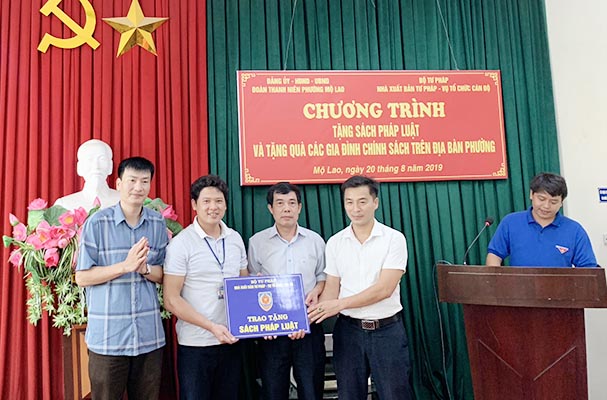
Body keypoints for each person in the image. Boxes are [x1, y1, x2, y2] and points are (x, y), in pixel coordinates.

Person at [308, 175, 411, 400]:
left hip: (386, 331)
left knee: (395, 394)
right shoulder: (335, 242)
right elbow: (332, 289)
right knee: (349, 395)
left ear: (375, 203)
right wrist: (306, 315)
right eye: (349, 202)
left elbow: (384, 289)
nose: (356, 209)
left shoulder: (394, 239)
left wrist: (339, 304)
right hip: (348, 332)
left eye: (362, 201)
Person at [75, 156, 169, 400]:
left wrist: (144, 269)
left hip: (148, 337)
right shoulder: (97, 223)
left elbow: (163, 275)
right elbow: (82, 277)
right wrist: (125, 266)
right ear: (118, 184)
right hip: (109, 338)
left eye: (144, 181)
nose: (138, 187)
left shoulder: (157, 223)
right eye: (132, 180)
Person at [163, 175, 248, 400]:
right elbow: (171, 299)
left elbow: (244, 285)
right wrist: (211, 327)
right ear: (194, 205)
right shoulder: (181, 244)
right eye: (206, 201)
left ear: (226, 205)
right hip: (196, 344)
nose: (213, 207)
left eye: (219, 201)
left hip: (231, 340)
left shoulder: (235, 239)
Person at [248, 182, 326, 400]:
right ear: (270, 208)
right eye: (280, 203)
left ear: (299, 207)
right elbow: (251, 283)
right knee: (273, 391)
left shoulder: (315, 241)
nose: (286, 209)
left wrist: (317, 290)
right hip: (272, 331)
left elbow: (323, 278)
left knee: (312, 390)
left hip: (308, 325)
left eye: (292, 203)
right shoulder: (257, 242)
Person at [486, 172, 597, 267]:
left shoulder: (574, 230)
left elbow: (588, 267)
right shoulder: (511, 222)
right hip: (518, 286)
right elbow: (494, 255)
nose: (546, 206)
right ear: (531, 194)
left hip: (560, 286)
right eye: (541, 199)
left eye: (553, 202)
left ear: (561, 202)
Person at [55, 139, 121, 210]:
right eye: (90, 159)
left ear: (110, 166)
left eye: (102, 159)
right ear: (79, 167)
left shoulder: (124, 201)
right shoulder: (64, 205)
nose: (96, 166)